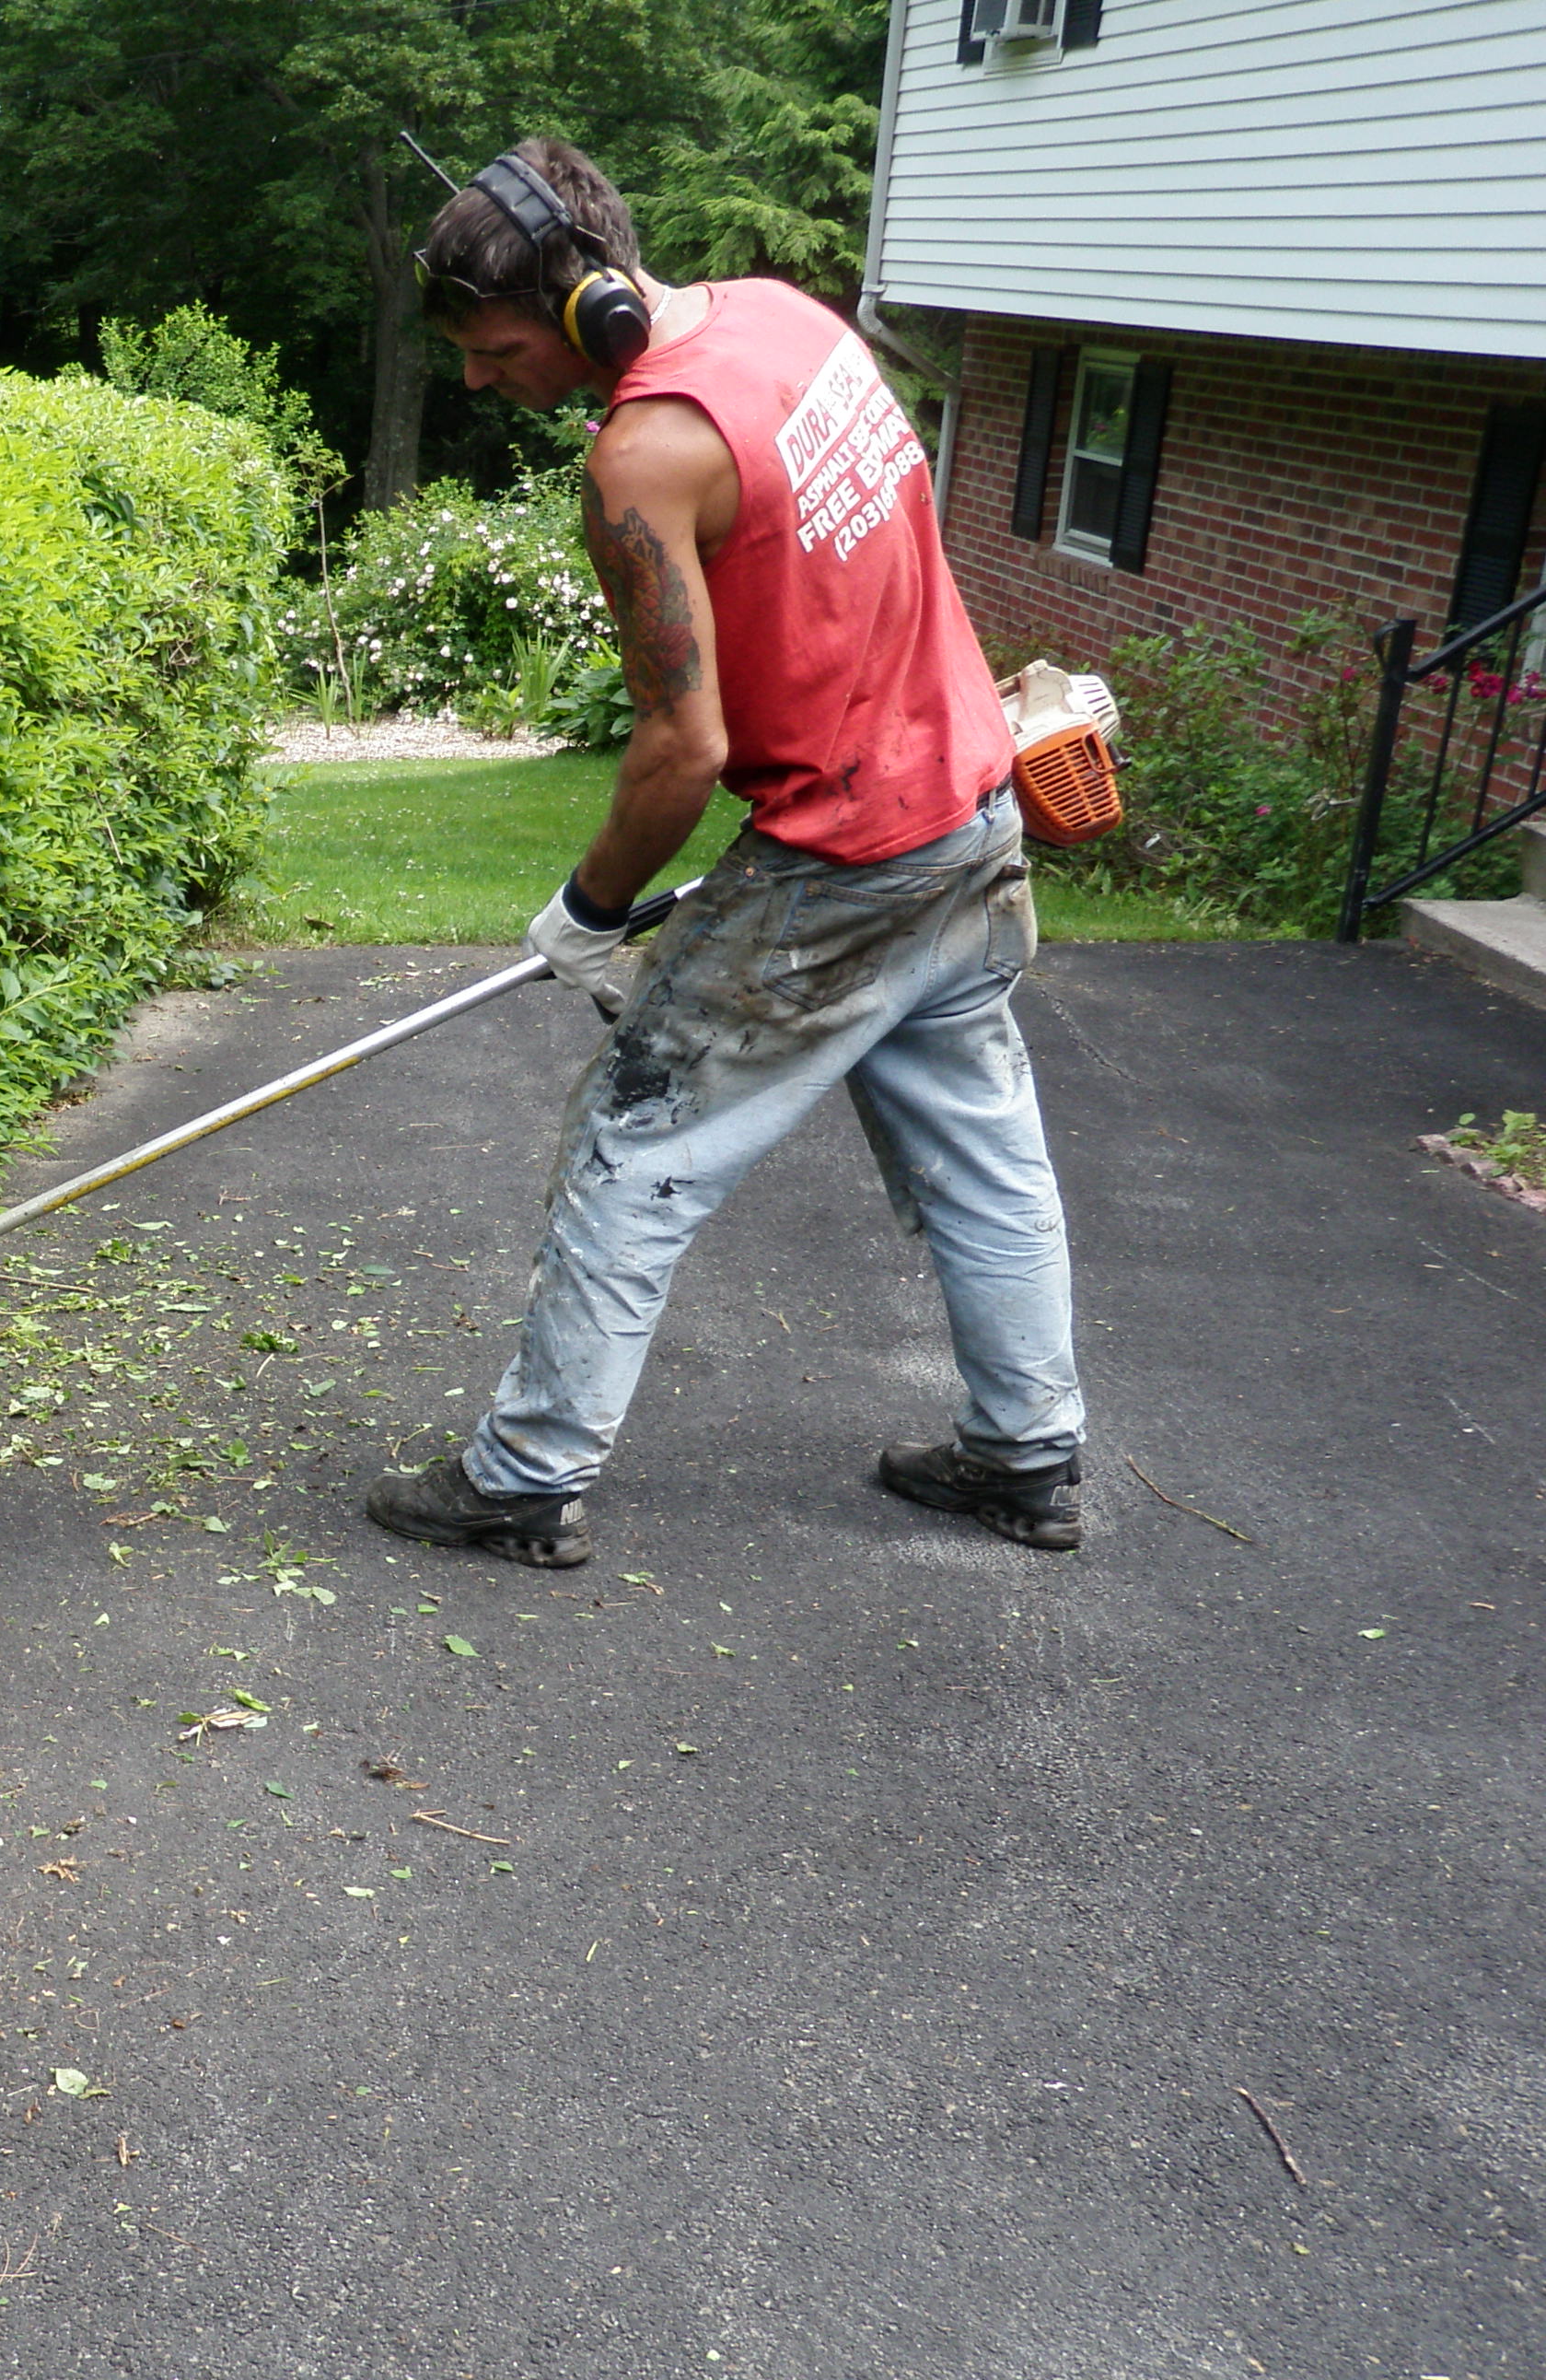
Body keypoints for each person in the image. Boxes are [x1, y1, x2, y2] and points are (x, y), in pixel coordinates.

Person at [362, 136, 1087, 1569]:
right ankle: (1026, 1455)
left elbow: (680, 751)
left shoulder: (642, 455)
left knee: (634, 1143)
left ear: (587, 311)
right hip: (966, 811)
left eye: (496, 346)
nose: (477, 378)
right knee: (987, 1158)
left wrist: (590, 909)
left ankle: (525, 1476)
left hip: (847, 862)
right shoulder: (788, 317)